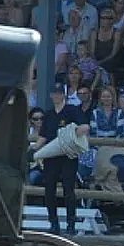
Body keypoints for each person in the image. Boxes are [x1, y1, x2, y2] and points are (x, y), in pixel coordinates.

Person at [31, 86, 86, 235]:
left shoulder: (72, 110)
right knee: (49, 190)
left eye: (59, 93)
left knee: (69, 190)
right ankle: (54, 223)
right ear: (51, 95)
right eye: (54, 93)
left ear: (63, 95)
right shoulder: (48, 115)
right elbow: (43, 137)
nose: (56, 96)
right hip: (51, 157)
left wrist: (71, 135)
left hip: (69, 156)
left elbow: (84, 127)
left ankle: (71, 224)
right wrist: (34, 149)